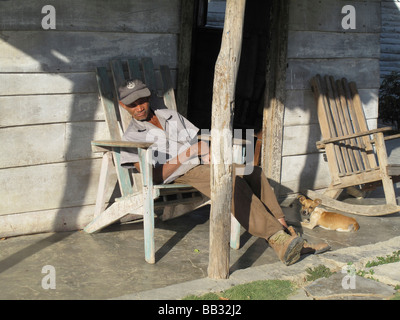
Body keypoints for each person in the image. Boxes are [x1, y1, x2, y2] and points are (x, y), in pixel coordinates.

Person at [118, 79, 330, 266]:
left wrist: (206, 150)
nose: (139, 107)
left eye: (142, 101)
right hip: (180, 174)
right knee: (229, 181)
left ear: (149, 96)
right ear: (123, 106)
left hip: (203, 163)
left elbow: (197, 140)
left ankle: (287, 234)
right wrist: (190, 153)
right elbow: (153, 176)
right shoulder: (132, 136)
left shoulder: (169, 116)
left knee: (253, 172)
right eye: (132, 105)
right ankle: (278, 240)